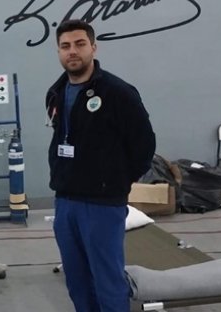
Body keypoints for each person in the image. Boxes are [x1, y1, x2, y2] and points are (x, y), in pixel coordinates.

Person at [46, 20, 156, 312]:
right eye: (65, 46)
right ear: (58, 52)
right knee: (77, 281)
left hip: (102, 204)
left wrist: (117, 181)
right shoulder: (56, 92)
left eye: (80, 44)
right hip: (65, 201)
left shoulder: (118, 92)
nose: (72, 51)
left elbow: (144, 144)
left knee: (108, 281)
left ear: (93, 47)